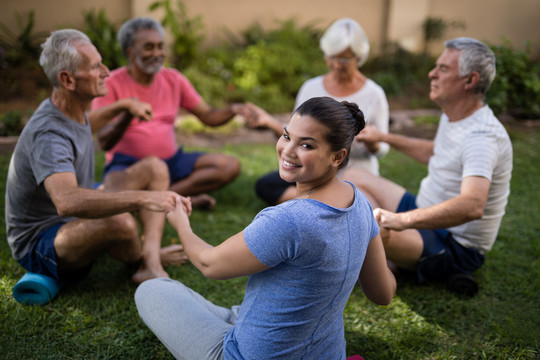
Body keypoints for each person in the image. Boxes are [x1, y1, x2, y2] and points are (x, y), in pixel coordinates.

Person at [135, 97, 396, 359]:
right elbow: (383, 294)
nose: (287, 150)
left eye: (306, 144)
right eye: (286, 136)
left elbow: (209, 264)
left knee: (153, 289)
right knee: (241, 311)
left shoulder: (289, 220)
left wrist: (181, 223)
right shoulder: (359, 202)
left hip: (243, 354)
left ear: (337, 157)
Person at [5, 29, 191, 286]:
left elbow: (84, 126)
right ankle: (142, 256)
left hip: (73, 217)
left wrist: (123, 105)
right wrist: (146, 198)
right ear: (68, 80)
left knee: (155, 168)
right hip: (42, 242)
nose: (106, 71)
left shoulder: (69, 109)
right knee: (122, 224)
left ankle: (150, 261)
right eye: (95, 67)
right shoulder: (48, 133)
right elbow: (67, 202)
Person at [348, 37, 513, 287]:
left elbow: (473, 205)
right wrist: (382, 136)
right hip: (423, 209)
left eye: (443, 69)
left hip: (454, 243)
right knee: (354, 176)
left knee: (369, 227)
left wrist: (401, 221)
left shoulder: (482, 136)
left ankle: (400, 262)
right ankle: (391, 258)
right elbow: (434, 153)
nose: (431, 73)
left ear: (470, 80)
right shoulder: (455, 116)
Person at [91, 17, 252, 209]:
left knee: (228, 166)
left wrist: (233, 110)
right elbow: (104, 141)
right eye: (149, 47)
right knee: (112, 191)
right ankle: (173, 198)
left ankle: (166, 196)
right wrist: (128, 112)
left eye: (160, 46)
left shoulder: (173, 79)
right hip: (128, 165)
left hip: (171, 162)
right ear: (130, 52)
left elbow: (208, 115)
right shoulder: (111, 83)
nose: (158, 53)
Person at [249, 18, 389, 205]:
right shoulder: (310, 87)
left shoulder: (374, 94)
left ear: (359, 56)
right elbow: (296, 134)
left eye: (344, 58)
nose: (337, 64)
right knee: (266, 185)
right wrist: (268, 121)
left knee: (356, 196)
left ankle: (322, 201)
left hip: (355, 171)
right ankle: (324, 202)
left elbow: (382, 148)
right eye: (332, 57)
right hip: (314, 168)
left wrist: (373, 144)